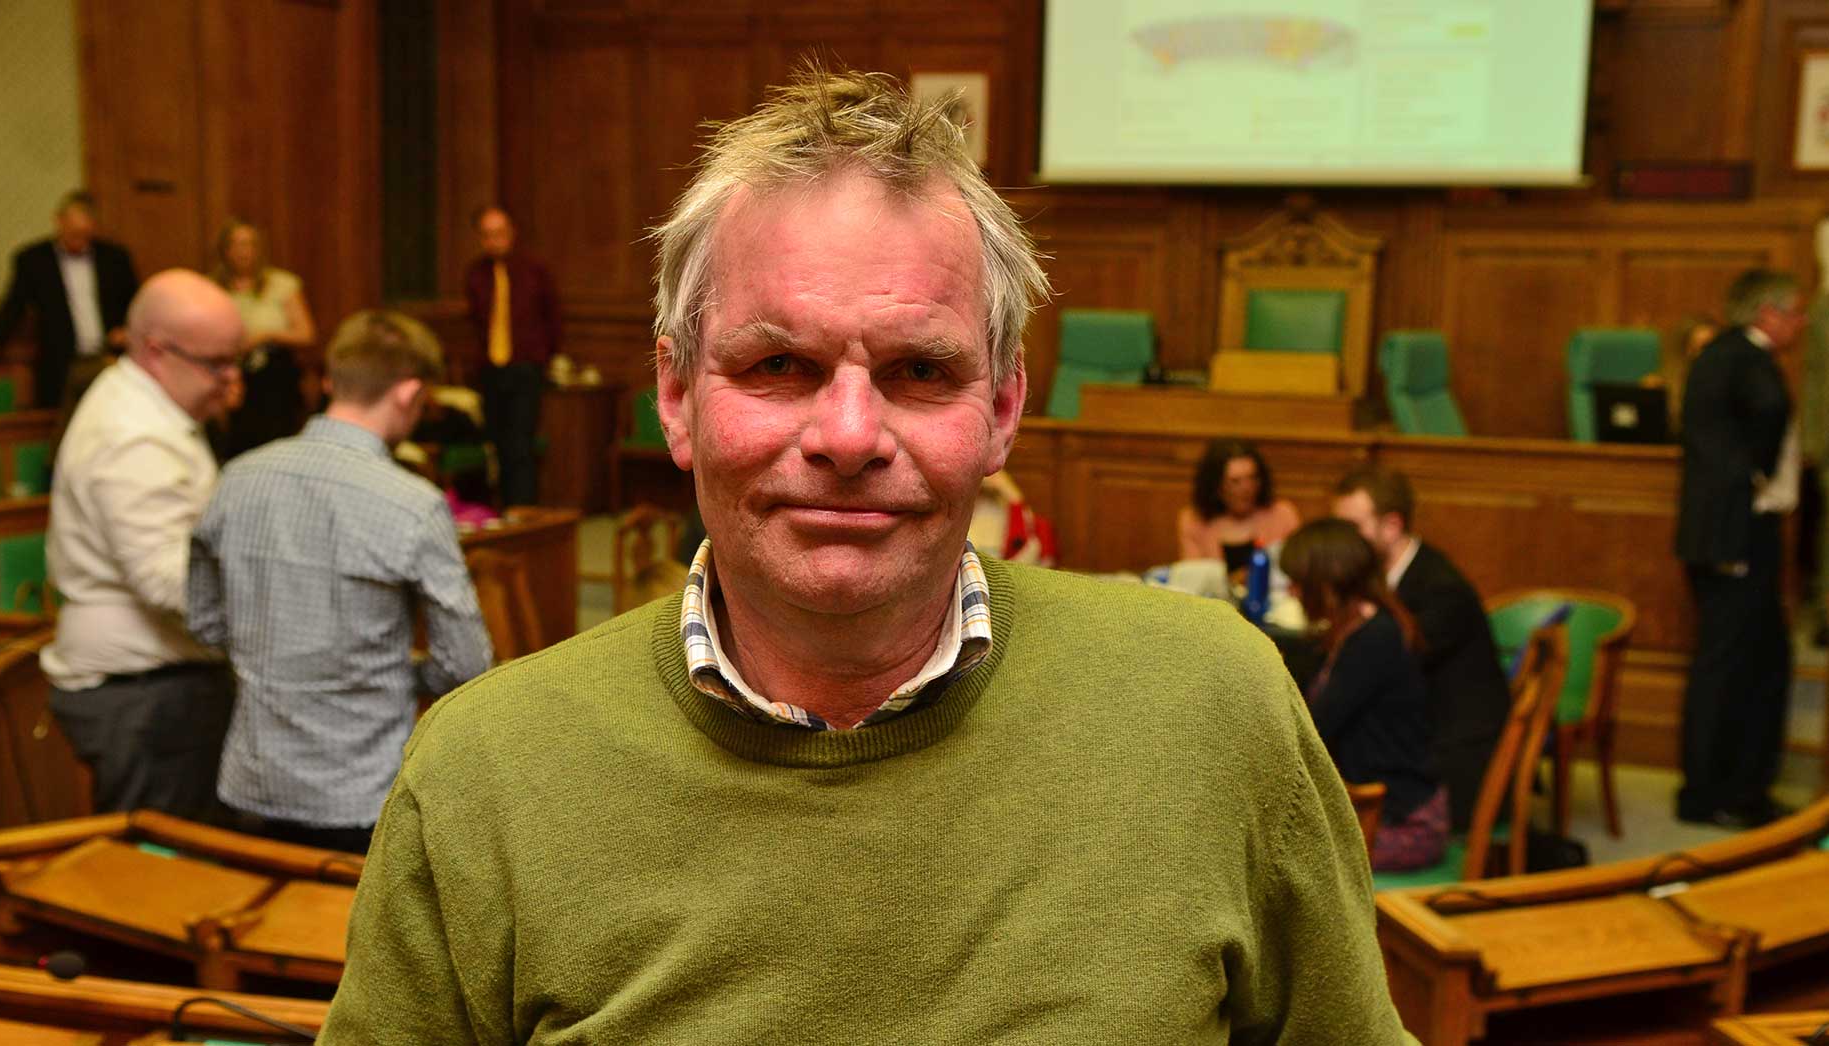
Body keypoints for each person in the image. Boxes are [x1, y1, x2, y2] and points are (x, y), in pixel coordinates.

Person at [320, 68, 1405, 1042]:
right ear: (674, 398)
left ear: (1005, 407)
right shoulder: (482, 771)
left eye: (920, 370)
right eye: (780, 363)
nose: (848, 434)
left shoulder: (1214, 700)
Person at [188, 310, 492, 854]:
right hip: (360, 798)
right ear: (409, 394)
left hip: (252, 783)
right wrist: (393, 671)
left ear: (330, 381)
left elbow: (206, 623)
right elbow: (467, 666)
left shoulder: (238, 478)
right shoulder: (413, 504)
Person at [43, 269, 243, 819]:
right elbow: (168, 582)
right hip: (144, 694)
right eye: (216, 363)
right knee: (162, 880)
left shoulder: (151, 405)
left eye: (235, 361)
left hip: (159, 681)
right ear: (157, 351)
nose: (230, 380)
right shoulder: (133, 434)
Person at [1675, 269, 1803, 829]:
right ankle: (1713, 793)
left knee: (1759, 660)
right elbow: (1767, 415)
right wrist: (1755, 476)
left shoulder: (1726, 356)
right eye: (1795, 312)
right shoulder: (1740, 359)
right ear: (1767, 315)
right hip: (1734, 536)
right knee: (1728, 667)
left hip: (1734, 534)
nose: (1802, 323)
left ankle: (1741, 786)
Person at [1332, 466, 1509, 831]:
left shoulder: (1441, 590)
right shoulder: (1387, 577)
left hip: (1448, 766)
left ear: (1392, 526)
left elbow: (1384, 666)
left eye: (1352, 529)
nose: (1342, 543)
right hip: (1415, 733)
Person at [1281, 518, 1445, 873]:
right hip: (1380, 807)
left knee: (1275, 859)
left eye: (1298, 583)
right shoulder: (1358, 629)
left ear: (1326, 587)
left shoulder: (1373, 641)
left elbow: (1313, 732)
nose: (1291, 592)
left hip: (1402, 821)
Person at [0, 190, 140, 409]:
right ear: (59, 221)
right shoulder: (34, 260)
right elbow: (14, 305)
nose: (79, 241)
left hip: (110, 357)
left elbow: (136, 302)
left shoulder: (114, 258)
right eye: (73, 234)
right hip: (62, 362)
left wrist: (129, 330)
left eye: (84, 235)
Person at [463, 205, 559, 508]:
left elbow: (553, 318)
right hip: (491, 370)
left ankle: (523, 510)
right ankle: (503, 508)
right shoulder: (476, 275)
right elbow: (476, 323)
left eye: (500, 234)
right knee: (499, 445)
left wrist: (542, 357)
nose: (495, 241)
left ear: (511, 233)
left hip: (525, 367)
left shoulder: (534, 270)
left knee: (521, 445)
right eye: (488, 235)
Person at [210, 219, 314, 459]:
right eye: (236, 244)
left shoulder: (282, 284)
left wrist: (264, 336)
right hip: (230, 370)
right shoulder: (211, 287)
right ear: (225, 251)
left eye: (249, 244)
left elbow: (306, 334)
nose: (243, 251)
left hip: (274, 375)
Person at [1177, 437, 1301, 565]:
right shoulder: (1193, 520)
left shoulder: (1283, 515)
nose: (1246, 488)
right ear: (1215, 485)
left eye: (1252, 478)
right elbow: (1193, 576)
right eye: (1235, 481)